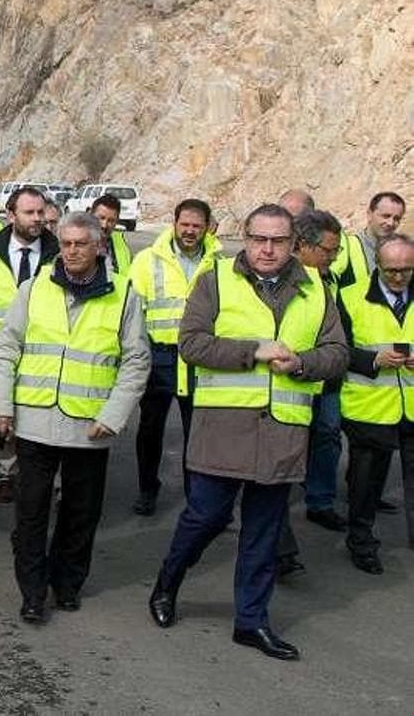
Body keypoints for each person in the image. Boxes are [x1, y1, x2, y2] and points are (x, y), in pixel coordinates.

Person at [149, 204, 348, 661]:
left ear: (293, 243)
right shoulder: (215, 280)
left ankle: (251, 621)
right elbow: (192, 343)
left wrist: (302, 363)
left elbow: (337, 352)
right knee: (206, 518)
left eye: (278, 241)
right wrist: (253, 351)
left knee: (263, 531)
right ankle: (168, 583)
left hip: (282, 432)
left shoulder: (315, 288)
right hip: (224, 430)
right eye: (260, 239)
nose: (268, 249)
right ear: (245, 236)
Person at [0, 211, 150, 624]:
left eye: (81, 243)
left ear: (99, 246)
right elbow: (6, 347)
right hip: (35, 420)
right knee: (31, 512)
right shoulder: (34, 287)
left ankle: (68, 583)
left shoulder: (124, 295)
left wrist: (114, 415)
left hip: (89, 426)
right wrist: (0, 406)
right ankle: (33, 591)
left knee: (81, 512)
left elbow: (135, 361)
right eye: (67, 242)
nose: (72, 250)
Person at [0, 186, 60, 514]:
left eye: (41, 213)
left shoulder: (59, 257)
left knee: (36, 446)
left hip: (39, 366)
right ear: (11, 215)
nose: (37, 219)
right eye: (29, 212)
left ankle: (32, 513)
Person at [127, 198, 221, 515]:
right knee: (150, 430)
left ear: (207, 227)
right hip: (158, 358)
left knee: (198, 433)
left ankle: (196, 497)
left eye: (197, 225)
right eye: (185, 224)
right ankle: (146, 490)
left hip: (200, 361)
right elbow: (132, 312)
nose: (190, 231)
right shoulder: (146, 260)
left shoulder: (220, 263)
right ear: (175, 223)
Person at [273, 209, 349, 579]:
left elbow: (335, 342)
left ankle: (279, 544)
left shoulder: (323, 281)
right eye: (328, 250)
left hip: (315, 386)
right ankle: (278, 547)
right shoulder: (276, 283)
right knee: (276, 476)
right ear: (303, 246)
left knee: (308, 455)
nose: (333, 257)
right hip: (277, 395)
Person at [337, 234, 414, 574]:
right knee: (366, 483)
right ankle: (361, 542)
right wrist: (373, 359)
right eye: (392, 271)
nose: (399, 277)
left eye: (407, 270)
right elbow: (335, 351)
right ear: (377, 266)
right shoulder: (351, 298)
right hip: (369, 407)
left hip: (411, 404)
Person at [336, 192, 405, 288]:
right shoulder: (345, 246)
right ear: (369, 214)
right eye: (386, 216)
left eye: (397, 219)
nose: (390, 223)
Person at [90, 194, 131, 274]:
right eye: (101, 218)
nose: (104, 225)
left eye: (111, 221)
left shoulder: (121, 243)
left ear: (116, 222)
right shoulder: (75, 242)